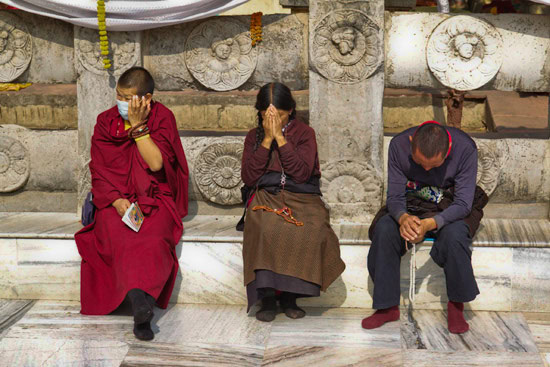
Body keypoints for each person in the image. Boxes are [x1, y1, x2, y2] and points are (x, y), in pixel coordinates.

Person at [75, 66, 189, 341]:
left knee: (152, 237)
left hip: (155, 198)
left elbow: (156, 163)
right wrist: (114, 200)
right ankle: (141, 303)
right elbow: (99, 169)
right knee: (116, 234)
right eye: (119, 96)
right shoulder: (106, 121)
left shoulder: (162, 118)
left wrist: (138, 129)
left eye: (128, 97)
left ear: (146, 98)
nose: (122, 103)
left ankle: (141, 304)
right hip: (114, 199)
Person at [363, 121, 487, 334]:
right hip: (413, 201)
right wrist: (403, 218)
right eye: (421, 164)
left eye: (434, 166)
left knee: (455, 236)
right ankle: (387, 307)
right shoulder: (399, 144)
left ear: (447, 151)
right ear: (412, 143)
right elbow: (394, 196)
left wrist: (431, 223)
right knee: (384, 230)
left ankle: (456, 305)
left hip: (451, 203)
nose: (427, 170)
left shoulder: (465, 148)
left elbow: (463, 204)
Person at [241, 82, 346, 322]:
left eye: (279, 115)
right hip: (266, 195)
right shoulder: (253, 136)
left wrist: (280, 138)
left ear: (290, 111)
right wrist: (267, 140)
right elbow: (249, 176)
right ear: (259, 113)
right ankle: (267, 296)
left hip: (302, 196)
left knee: (312, 227)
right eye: (268, 116)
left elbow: (301, 173)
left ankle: (290, 296)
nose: (273, 120)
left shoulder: (304, 133)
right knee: (265, 226)